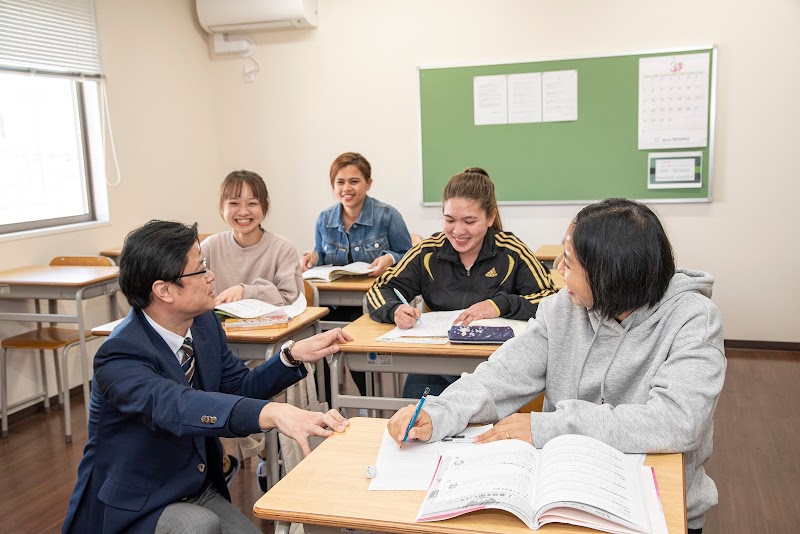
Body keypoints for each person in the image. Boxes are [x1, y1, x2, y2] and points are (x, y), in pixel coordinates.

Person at [387, 198, 726, 534]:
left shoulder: (693, 318)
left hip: (655, 507)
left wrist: (550, 426)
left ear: (610, 274)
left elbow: (680, 421)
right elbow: (500, 377)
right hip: (563, 496)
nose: (559, 272)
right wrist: (441, 411)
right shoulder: (562, 309)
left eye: (570, 262)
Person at [62, 220, 353, 534]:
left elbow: (240, 388)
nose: (211, 276)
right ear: (163, 290)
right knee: (197, 527)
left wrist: (291, 355)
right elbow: (177, 406)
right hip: (139, 500)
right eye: (200, 269)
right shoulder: (119, 353)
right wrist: (273, 413)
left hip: (194, 485)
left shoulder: (203, 325)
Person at [366, 167, 556, 397]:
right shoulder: (428, 252)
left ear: (490, 217)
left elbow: (550, 301)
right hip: (437, 363)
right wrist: (394, 309)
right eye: (449, 220)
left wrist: (499, 305)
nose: (458, 231)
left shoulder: (511, 251)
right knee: (415, 413)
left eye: (469, 221)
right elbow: (381, 288)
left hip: (495, 363)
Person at [301, 152, 413, 398]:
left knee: (351, 333)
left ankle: (366, 401)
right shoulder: (324, 219)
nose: (346, 188)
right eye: (340, 182)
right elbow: (321, 252)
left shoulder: (387, 215)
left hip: (373, 302)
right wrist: (313, 257)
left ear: (368, 183)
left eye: (354, 181)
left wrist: (390, 258)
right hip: (335, 302)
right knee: (316, 336)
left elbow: (409, 254)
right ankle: (328, 404)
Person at [203, 170, 302, 307]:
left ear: (264, 207)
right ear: (221, 208)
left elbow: (293, 302)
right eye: (234, 203)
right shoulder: (209, 247)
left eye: (252, 203)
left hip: (273, 327)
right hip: (221, 327)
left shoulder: (283, 249)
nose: (243, 212)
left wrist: (246, 291)